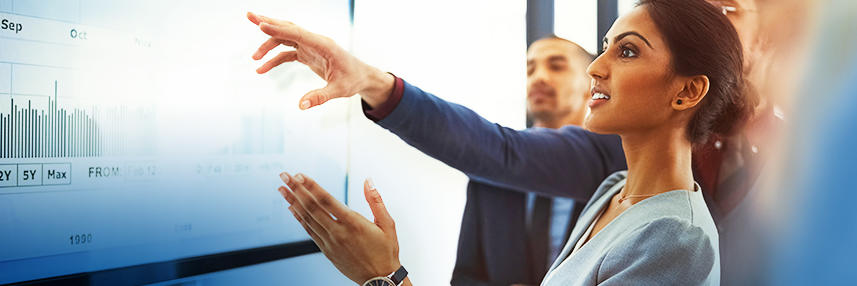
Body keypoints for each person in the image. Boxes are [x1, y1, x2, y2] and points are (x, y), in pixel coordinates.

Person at [253, 0, 752, 283]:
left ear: (688, 90)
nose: (596, 68)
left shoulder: (675, 239)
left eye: (626, 52)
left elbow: (497, 148)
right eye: (604, 48)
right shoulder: (613, 191)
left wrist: (384, 277)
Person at [452, 37, 621, 286]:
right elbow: (464, 278)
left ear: (591, 83)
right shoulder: (490, 170)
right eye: (530, 68)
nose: (539, 77)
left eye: (556, 66)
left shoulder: (615, 164)